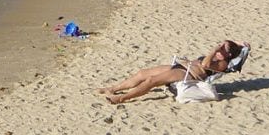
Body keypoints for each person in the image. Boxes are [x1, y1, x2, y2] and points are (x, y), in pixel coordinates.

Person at [98, 40, 246, 104]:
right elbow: (244, 46)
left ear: (229, 55)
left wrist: (214, 50)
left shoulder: (222, 63)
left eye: (223, 50)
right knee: (143, 73)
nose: (219, 50)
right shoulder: (223, 55)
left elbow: (206, 64)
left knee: (152, 81)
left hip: (188, 75)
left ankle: (122, 98)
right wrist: (238, 44)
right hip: (180, 66)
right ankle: (113, 89)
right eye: (220, 48)